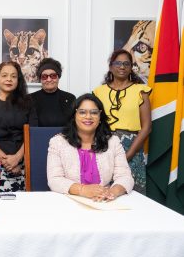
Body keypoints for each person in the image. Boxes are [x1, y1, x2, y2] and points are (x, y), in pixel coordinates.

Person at [47, 94, 134, 201]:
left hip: (103, 202)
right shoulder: (57, 143)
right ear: (74, 116)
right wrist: (83, 190)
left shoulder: (113, 142)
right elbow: (54, 179)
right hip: (69, 201)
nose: (88, 116)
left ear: (100, 117)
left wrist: (111, 193)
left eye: (94, 112)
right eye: (82, 112)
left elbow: (125, 176)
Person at [93, 49, 151, 194]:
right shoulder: (98, 92)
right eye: (118, 63)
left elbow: (147, 127)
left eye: (126, 63)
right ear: (111, 66)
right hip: (104, 146)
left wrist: (128, 155)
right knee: (102, 193)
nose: (122, 66)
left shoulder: (141, 90)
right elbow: (93, 122)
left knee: (132, 196)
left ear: (131, 67)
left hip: (132, 147)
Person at [0, 61, 38, 192]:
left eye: (13, 76)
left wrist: (17, 158)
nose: (9, 79)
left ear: (18, 80)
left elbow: (32, 133)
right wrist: (5, 161)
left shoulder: (28, 102)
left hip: (23, 160)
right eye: (4, 75)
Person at [30, 58, 75, 127]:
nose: (49, 79)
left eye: (53, 76)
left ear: (58, 77)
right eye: (44, 77)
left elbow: (73, 126)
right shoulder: (30, 99)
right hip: (38, 137)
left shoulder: (70, 98)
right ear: (40, 79)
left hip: (64, 137)